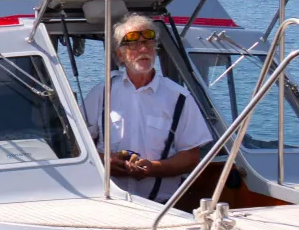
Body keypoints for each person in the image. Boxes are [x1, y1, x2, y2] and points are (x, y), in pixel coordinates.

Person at [83, 13, 212, 203]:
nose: (143, 48)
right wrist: (106, 160)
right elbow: (77, 145)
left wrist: (153, 168)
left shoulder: (179, 98)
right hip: (108, 204)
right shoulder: (101, 93)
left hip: (162, 207)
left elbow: (191, 157)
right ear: (120, 54)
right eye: (133, 44)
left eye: (149, 42)